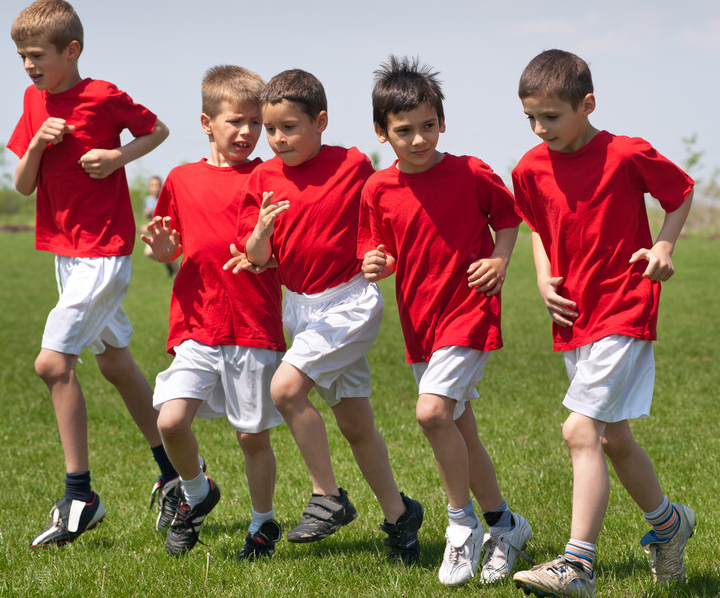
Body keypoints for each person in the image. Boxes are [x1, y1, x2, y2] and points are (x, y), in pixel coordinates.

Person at [508, 49, 696, 597]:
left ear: (586, 105)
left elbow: (679, 192)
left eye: (552, 117)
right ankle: (668, 525)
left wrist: (663, 244)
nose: (542, 129)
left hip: (625, 306)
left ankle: (578, 565)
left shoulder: (625, 153)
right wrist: (543, 279)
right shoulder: (528, 167)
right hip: (575, 315)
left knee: (579, 429)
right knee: (612, 437)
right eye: (532, 119)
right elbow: (538, 228)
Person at [6, 0, 174, 547]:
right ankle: (177, 476)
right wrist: (35, 143)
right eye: (22, 56)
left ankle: (80, 493)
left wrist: (117, 158)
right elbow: (24, 185)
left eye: (37, 55)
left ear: (70, 50)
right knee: (117, 364)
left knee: (53, 364)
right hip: (65, 252)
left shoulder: (101, 96)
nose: (29, 66)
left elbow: (158, 131)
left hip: (104, 252)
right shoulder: (34, 102)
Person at [237, 69, 423, 564]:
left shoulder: (352, 163)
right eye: (271, 129)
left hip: (348, 301)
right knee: (356, 422)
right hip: (298, 307)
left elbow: (383, 212)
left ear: (320, 122)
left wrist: (377, 254)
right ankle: (400, 514)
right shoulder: (263, 178)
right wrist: (260, 230)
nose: (278, 139)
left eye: (289, 127)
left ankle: (328, 496)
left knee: (285, 389)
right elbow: (256, 256)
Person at [359, 56, 532, 586]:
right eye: (404, 131)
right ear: (382, 133)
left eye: (428, 126)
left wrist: (500, 260)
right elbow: (376, 250)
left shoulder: (471, 171)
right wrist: (376, 263)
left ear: (442, 121)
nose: (418, 139)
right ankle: (505, 525)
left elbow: (508, 217)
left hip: (470, 311)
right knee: (458, 427)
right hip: (421, 324)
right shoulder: (377, 190)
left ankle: (461, 528)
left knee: (432, 412)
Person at [141, 66, 285, 559]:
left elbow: (280, 250)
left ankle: (262, 524)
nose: (247, 133)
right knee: (171, 420)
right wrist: (161, 251)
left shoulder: (271, 177)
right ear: (207, 122)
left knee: (251, 436)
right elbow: (167, 246)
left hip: (252, 325)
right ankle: (197, 492)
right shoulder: (181, 179)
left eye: (255, 124)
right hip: (196, 324)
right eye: (236, 122)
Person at [142, 175, 178, 277]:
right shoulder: (147, 200)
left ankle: (177, 271)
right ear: (149, 187)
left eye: (157, 185)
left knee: (149, 252)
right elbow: (147, 216)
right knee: (150, 253)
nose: (155, 188)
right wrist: (147, 213)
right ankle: (169, 264)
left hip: (163, 231)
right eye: (153, 185)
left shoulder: (163, 199)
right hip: (153, 231)